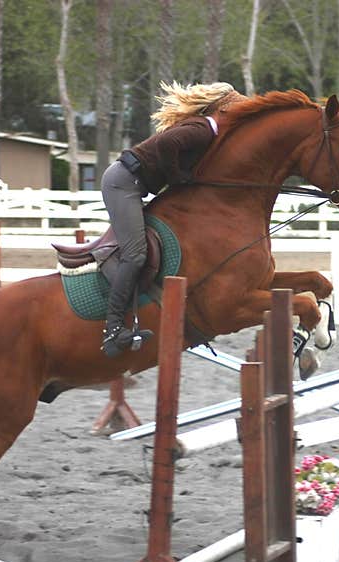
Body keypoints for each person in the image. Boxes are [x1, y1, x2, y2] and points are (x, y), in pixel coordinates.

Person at [98, 80, 237, 358]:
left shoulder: (205, 129)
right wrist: (177, 178)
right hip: (123, 183)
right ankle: (112, 329)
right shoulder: (201, 129)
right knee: (135, 255)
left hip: (131, 182)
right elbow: (167, 144)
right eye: (235, 107)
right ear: (222, 107)